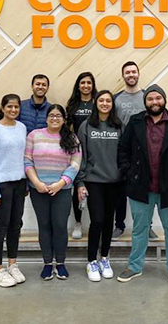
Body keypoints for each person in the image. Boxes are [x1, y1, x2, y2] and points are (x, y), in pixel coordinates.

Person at [117, 85, 168, 290]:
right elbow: (123, 150)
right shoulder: (135, 122)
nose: (154, 102)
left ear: (164, 100)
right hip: (140, 186)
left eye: (158, 98)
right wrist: (128, 172)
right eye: (150, 99)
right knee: (139, 230)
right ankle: (135, 267)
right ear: (145, 102)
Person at [24, 104, 81, 281]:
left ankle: (61, 263)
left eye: (58, 116)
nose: (55, 118)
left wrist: (60, 183)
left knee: (60, 226)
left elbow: (75, 164)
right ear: (46, 118)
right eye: (52, 115)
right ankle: (48, 264)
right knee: (44, 226)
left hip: (62, 190)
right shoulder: (34, 136)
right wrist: (37, 183)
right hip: (38, 190)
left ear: (64, 119)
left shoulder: (71, 138)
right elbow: (27, 162)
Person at [75, 90, 123, 282]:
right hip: (93, 181)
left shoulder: (119, 126)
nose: (104, 103)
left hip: (114, 181)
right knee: (96, 221)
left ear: (112, 104)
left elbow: (124, 153)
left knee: (108, 222)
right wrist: (79, 181)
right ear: (96, 103)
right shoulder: (86, 126)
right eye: (101, 100)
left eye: (108, 101)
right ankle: (91, 261)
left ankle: (104, 258)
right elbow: (79, 156)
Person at [0, 94, 28, 288]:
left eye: (16, 107)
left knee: (15, 226)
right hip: (0, 185)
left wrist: (25, 183)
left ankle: (12, 264)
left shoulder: (22, 128)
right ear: (2, 107)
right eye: (9, 106)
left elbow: (23, 157)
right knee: (1, 226)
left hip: (18, 184)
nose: (13, 110)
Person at [113, 61, 158, 240]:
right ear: (123, 76)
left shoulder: (148, 96)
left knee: (146, 190)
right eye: (127, 72)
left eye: (133, 72)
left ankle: (147, 226)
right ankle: (119, 225)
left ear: (138, 74)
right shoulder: (116, 98)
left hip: (145, 152)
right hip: (123, 151)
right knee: (120, 190)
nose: (131, 75)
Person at [66, 72, 97, 240]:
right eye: (82, 82)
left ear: (93, 85)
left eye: (89, 83)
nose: (86, 85)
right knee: (77, 186)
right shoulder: (72, 105)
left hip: (96, 150)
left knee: (94, 186)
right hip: (77, 151)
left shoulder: (97, 102)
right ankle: (78, 222)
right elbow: (68, 127)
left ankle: (95, 223)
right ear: (78, 86)